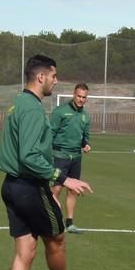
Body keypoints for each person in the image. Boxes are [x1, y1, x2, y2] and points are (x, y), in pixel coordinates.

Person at [0, 55, 99, 270]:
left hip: (12, 186)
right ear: (41, 77)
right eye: (54, 76)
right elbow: (28, 155)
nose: (56, 80)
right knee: (57, 237)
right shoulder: (30, 108)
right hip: (29, 187)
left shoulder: (19, 103)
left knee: (25, 252)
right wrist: (63, 179)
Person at [50, 83, 92, 234]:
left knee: (73, 190)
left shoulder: (85, 116)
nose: (81, 99)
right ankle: (54, 222)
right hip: (60, 155)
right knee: (56, 189)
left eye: (84, 97)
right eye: (79, 96)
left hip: (76, 157)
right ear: (73, 95)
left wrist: (86, 145)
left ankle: (70, 223)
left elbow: (85, 138)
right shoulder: (60, 112)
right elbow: (50, 133)